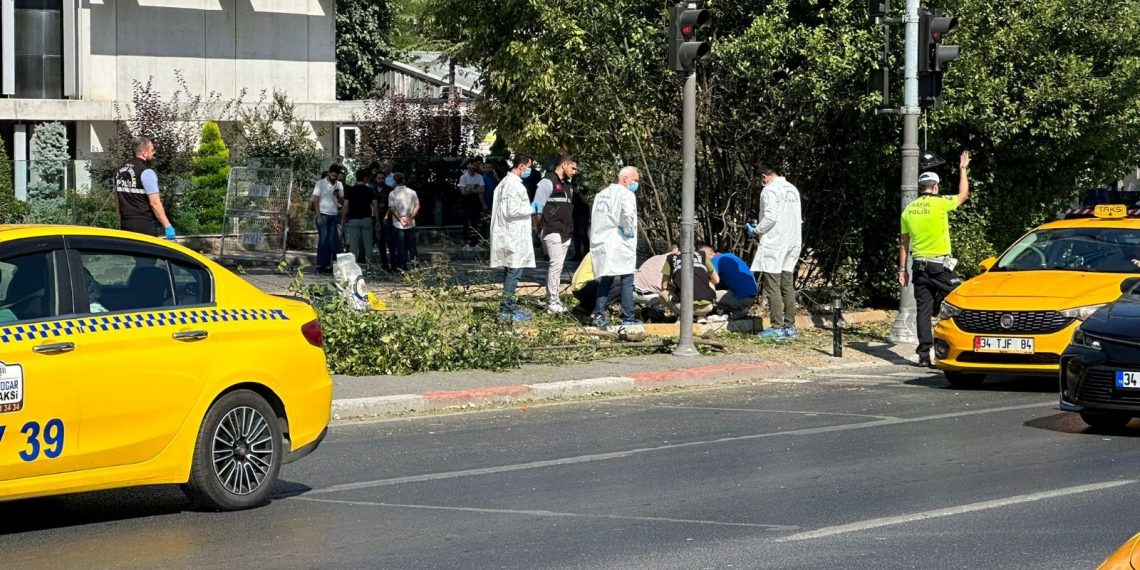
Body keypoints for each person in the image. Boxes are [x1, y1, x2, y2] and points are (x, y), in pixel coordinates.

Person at [900, 151, 971, 367]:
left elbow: (903, 244)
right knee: (963, 297)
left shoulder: (908, 210)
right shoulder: (940, 203)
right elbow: (963, 195)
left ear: (921, 189)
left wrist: (902, 270)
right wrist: (963, 169)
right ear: (936, 187)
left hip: (918, 267)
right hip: (939, 267)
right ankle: (964, 343)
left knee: (923, 310)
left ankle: (924, 356)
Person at [748, 162, 802, 339]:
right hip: (793, 241)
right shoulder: (792, 189)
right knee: (787, 284)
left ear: (763, 177)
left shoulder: (770, 189)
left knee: (772, 286)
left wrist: (755, 230)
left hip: (775, 242)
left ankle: (777, 327)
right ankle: (790, 327)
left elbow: (770, 216)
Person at [590, 166, 641, 329]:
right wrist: (628, 228)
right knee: (627, 279)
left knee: (606, 278)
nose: (636, 184)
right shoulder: (626, 194)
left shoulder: (601, 194)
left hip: (603, 241)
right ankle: (628, 317)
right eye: (635, 180)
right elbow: (627, 214)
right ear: (625, 179)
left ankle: (599, 314)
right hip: (620, 243)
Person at [490, 155, 537, 323]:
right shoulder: (513, 185)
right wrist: (531, 208)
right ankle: (506, 312)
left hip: (510, 235)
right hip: (512, 236)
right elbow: (513, 210)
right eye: (529, 166)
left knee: (511, 272)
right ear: (522, 166)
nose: (530, 170)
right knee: (514, 273)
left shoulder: (506, 183)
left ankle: (508, 307)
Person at [532, 153, 579, 314]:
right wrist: (539, 229)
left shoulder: (567, 185)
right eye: (573, 168)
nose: (574, 171)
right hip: (551, 229)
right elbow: (537, 207)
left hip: (566, 230)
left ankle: (553, 299)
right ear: (564, 165)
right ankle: (552, 301)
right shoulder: (547, 182)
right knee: (556, 264)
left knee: (558, 266)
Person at [114, 136, 174, 238]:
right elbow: (154, 203)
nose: (154, 152)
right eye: (152, 150)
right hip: (144, 224)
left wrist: (120, 218)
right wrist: (167, 225)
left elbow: (116, 199)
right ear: (144, 153)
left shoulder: (118, 171)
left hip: (126, 224)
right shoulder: (146, 172)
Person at [700, 244, 759, 320]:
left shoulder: (714, 261)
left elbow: (711, 283)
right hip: (752, 295)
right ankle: (738, 311)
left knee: (704, 295)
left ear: (709, 255)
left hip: (741, 297)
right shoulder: (729, 255)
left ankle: (738, 309)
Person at [661, 247, 720, 319]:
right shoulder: (702, 255)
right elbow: (716, 280)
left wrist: (675, 287)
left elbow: (664, 286)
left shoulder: (671, 258)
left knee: (662, 292)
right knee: (710, 282)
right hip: (707, 307)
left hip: (683, 308)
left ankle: (681, 317)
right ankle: (701, 316)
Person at [311, 165, 344, 274]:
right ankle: (320, 264)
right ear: (329, 173)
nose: (334, 177)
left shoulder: (339, 185)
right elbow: (315, 200)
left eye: (336, 176)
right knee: (323, 240)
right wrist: (318, 215)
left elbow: (342, 202)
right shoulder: (320, 183)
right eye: (332, 175)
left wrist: (337, 196)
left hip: (334, 215)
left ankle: (329, 265)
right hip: (323, 214)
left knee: (332, 241)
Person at [342, 168, 378, 265]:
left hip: (353, 219)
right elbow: (375, 206)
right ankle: (369, 267)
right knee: (368, 244)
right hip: (366, 219)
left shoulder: (350, 190)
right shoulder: (370, 190)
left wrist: (343, 218)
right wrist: (377, 220)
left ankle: (353, 267)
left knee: (353, 245)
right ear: (365, 178)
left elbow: (345, 206)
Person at [633, 244, 678, 318]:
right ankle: (656, 311)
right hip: (653, 296)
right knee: (667, 292)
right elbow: (665, 286)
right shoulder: (673, 261)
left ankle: (634, 306)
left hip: (632, 291)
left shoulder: (655, 258)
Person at [387, 172, 420, 271]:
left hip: (398, 222)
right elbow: (417, 206)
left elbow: (392, 209)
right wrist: (410, 218)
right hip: (410, 221)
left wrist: (400, 219)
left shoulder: (392, 193)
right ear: (403, 180)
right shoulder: (412, 192)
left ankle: (402, 268)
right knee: (412, 247)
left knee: (400, 247)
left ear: (394, 181)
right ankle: (416, 267)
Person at [459, 157, 487, 249]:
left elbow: (482, 190)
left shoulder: (479, 177)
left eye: (475, 164)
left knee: (476, 222)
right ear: (468, 165)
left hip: (476, 203)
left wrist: (470, 189)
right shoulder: (463, 177)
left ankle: (475, 243)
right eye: (472, 164)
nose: (474, 166)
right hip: (466, 203)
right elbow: (463, 192)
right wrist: (476, 190)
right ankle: (466, 242)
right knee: (466, 222)